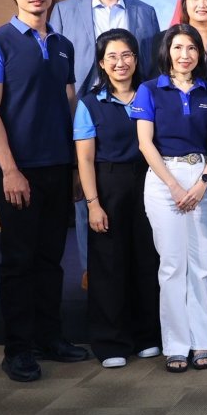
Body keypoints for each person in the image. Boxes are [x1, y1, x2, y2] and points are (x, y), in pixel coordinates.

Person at [0, 0, 90, 382]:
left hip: (58, 168)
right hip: (17, 172)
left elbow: (70, 105)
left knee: (51, 261)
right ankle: (18, 349)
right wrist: (9, 169)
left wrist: (77, 168)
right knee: (18, 263)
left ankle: (50, 337)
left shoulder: (62, 44)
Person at [49, 0, 160, 288]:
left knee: (136, 186)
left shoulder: (144, 11)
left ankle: (140, 260)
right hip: (83, 107)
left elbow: (153, 67)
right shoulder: (65, 11)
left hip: (132, 107)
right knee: (88, 186)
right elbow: (57, 67)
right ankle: (90, 265)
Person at [131, 24, 207, 373]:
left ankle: (202, 342)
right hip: (163, 180)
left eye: (192, 48)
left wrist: (203, 182)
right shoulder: (149, 90)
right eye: (179, 48)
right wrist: (173, 186)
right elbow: (145, 143)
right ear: (167, 51)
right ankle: (176, 345)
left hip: (202, 177)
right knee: (171, 266)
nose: (186, 55)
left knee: (199, 267)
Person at [73, 29, 161, 369]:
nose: (120, 62)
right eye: (112, 57)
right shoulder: (90, 103)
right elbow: (84, 159)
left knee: (146, 260)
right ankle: (110, 342)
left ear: (136, 60)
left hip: (148, 182)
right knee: (108, 264)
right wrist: (93, 204)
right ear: (101, 63)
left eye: (126, 55)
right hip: (107, 185)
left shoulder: (150, 93)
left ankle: (146, 336)